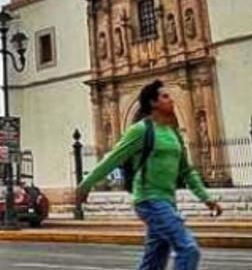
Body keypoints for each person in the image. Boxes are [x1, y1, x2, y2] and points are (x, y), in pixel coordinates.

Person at [75, 80, 221, 270]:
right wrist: (85, 185)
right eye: (165, 96)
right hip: (149, 201)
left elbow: (186, 171)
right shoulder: (141, 130)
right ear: (153, 103)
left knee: (153, 263)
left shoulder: (173, 134)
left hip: (167, 202)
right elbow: (113, 158)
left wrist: (207, 198)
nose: (171, 100)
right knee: (188, 249)